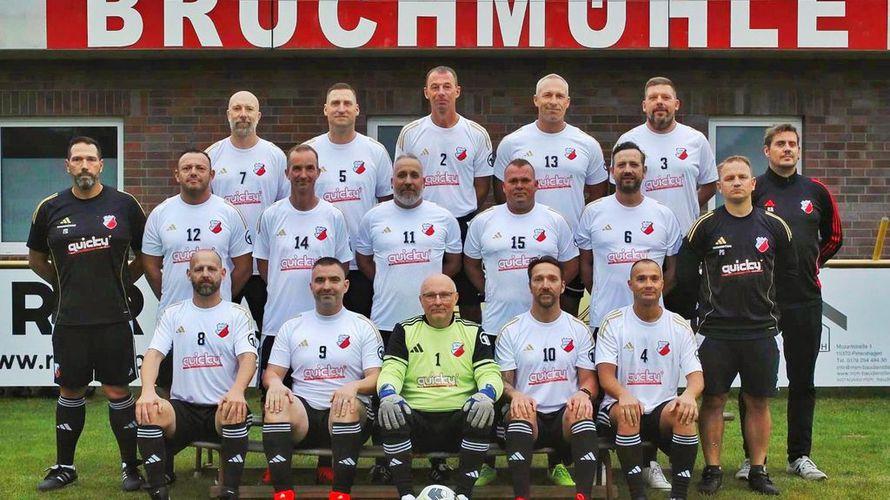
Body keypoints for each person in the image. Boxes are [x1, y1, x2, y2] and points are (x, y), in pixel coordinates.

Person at [28, 136, 147, 492]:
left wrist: (120, 282)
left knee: (117, 390)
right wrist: (64, 282)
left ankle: (130, 467)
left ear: (101, 165)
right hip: (70, 319)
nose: (84, 165)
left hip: (114, 317)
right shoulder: (49, 208)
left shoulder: (124, 205)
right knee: (71, 388)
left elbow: (145, 255)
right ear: (67, 166)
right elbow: (36, 259)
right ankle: (65, 467)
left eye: (90, 159)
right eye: (77, 159)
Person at [677, 155, 798, 495]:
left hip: (760, 331)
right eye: (729, 178)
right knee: (714, 400)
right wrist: (696, 313)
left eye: (742, 177)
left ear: (753, 183)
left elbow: (789, 274)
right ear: (719, 186)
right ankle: (712, 469)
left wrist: (777, 314)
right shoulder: (705, 226)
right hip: (717, 332)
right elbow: (685, 275)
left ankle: (758, 469)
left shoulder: (775, 226)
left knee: (758, 401)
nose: (736, 182)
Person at [733, 124, 843, 481]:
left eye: (792, 144)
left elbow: (834, 237)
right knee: (754, 381)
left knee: (802, 380)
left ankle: (800, 456)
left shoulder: (816, 191)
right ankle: (752, 458)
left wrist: (808, 264)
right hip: (760, 299)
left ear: (798, 150)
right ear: (767, 151)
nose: (787, 149)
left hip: (804, 298)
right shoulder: (755, 189)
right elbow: (740, 234)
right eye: (779, 144)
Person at [136, 249, 258, 500]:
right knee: (149, 411)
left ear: (223, 273)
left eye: (211, 269)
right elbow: (154, 354)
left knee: (234, 411)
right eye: (199, 269)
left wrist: (238, 391)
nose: (205, 274)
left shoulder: (236, 314)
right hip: (183, 409)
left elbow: (248, 358)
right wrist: (147, 391)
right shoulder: (174, 313)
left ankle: (229, 491)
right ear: (188, 274)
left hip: (221, 406)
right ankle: (158, 491)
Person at [261, 258, 383, 500]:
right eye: (320, 280)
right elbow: (272, 373)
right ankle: (283, 493)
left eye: (334, 280)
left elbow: (376, 378)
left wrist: (354, 386)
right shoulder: (293, 326)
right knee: (276, 404)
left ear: (346, 285)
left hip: (349, 414)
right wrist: (274, 384)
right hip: (304, 416)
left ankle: (340, 494)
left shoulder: (363, 326)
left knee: (345, 405)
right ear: (311, 287)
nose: (327, 286)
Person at [376, 274, 503, 500]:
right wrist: (388, 393)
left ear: (456, 298)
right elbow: (392, 369)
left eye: (444, 295)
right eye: (430, 296)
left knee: (481, 411)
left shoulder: (473, 331)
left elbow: (489, 372)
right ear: (420, 300)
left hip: (458, 418)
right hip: (417, 419)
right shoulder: (404, 330)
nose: (437, 301)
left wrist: (487, 393)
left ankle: (463, 494)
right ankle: (406, 495)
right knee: (392, 410)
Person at [494, 73, 608, 315]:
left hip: (570, 250)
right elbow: (501, 192)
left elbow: (598, 196)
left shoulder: (587, 144)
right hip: (524, 246)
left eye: (559, 96)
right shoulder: (512, 143)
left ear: (567, 102)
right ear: (536, 100)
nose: (553, 101)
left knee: (564, 319)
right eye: (547, 95)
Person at [595, 259, 703, 500]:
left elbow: (696, 376)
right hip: (620, 406)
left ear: (662, 284)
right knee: (628, 414)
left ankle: (679, 495)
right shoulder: (613, 322)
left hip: (661, 408)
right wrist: (623, 395)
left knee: (684, 414)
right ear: (630, 284)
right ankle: (638, 495)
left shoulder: (678, 325)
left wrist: (688, 395)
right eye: (641, 279)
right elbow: (605, 376)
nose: (648, 284)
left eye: (654, 278)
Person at [395, 65, 493, 323]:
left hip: (463, 224)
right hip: (422, 225)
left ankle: (472, 343)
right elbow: (402, 177)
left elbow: (482, 184)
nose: (441, 92)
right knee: (425, 292)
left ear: (457, 91)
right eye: (435, 87)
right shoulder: (410, 133)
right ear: (426, 92)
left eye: (447, 87)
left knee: (469, 299)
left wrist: (460, 210)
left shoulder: (476, 133)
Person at [495, 256, 599, 500]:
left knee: (581, 411)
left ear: (562, 286)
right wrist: (515, 394)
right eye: (538, 279)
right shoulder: (511, 330)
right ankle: (522, 496)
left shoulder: (577, 329)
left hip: (565, 415)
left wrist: (583, 394)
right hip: (529, 415)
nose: (545, 285)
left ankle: (583, 496)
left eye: (552, 279)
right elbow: (503, 382)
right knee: (520, 412)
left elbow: (590, 380)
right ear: (530, 286)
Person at [617, 76, 718, 324]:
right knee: (640, 316)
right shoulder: (629, 141)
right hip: (641, 243)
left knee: (681, 318)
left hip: (684, 242)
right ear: (644, 105)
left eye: (665, 97)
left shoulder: (695, 140)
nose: (659, 102)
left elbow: (710, 184)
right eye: (653, 98)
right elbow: (618, 187)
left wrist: (687, 205)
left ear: (677, 104)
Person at [254, 144, 352, 393]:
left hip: (323, 324)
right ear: (287, 173)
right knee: (274, 403)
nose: (303, 174)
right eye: (296, 168)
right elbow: (265, 266)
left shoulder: (333, 216)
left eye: (309, 168)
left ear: (318, 172)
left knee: (322, 399)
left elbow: (341, 266)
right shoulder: (271, 215)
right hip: (278, 323)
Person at [575, 142, 683, 336]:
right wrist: (602, 296)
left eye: (634, 165)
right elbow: (585, 267)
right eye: (621, 165)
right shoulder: (593, 212)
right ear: (611, 172)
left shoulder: (664, 214)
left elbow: (672, 273)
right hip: (605, 320)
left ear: (644, 171)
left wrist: (648, 299)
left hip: (651, 320)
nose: (627, 170)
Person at [306, 82, 393, 318]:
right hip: (321, 265)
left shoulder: (375, 151)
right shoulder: (310, 151)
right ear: (325, 109)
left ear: (357, 109)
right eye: (335, 103)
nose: (341, 108)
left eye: (347, 103)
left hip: (362, 263)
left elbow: (387, 205)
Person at [465, 159, 579, 337]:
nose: (519, 186)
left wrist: (550, 287)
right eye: (513, 181)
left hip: (544, 322)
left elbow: (571, 265)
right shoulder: (482, 221)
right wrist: (490, 290)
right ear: (504, 187)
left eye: (525, 180)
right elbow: (471, 265)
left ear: (536, 185)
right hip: (497, 324)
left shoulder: (555, 220)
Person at [207, 90, 290, 332]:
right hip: (225, 266)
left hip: (263, 267)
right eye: (237, 109)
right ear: (228, 115)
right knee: (219, 333)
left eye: (249, 109)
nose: (243, 114)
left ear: (259, 116)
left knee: (270, 332)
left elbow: (284, 209)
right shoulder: (212, 155)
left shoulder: (274, 156)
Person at [354, 155, 462, 340]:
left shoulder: (444, 217)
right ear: (392, 182)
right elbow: (363, 261)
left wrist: (431, 285)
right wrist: (385, 279)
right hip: (386, 321)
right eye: (402, 175)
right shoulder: (372, 217)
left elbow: (454, 263)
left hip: (431, 320)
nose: (408, 181)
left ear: (424, 182)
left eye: (414, 175)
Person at [143, 148, 253, 312]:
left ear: (212, 175)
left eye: (200, 168)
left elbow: (244, 267)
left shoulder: (229, 213)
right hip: (173, 314)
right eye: (187, 168)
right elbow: (150, 266)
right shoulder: (160, 214)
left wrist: (220, 297)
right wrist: (170, 297)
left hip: (218, 314)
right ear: (177, 175)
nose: (193, 172)